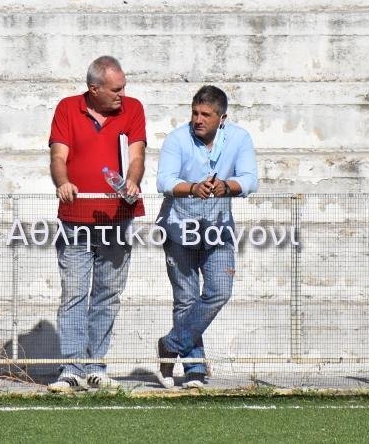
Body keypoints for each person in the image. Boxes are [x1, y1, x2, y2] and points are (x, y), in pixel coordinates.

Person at [47, 55, 146, 392]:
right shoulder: (66, 108)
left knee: (107, 294)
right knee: (74, 293)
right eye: (116, 88)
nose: (123, 93)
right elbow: (58, 157)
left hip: (118, 218)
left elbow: (137, 157)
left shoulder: (132, 109)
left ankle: (96, 365)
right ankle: (71, 368)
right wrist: (62, 183)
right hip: (74, 220)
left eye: (123, 87)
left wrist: (132, 182)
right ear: (94, 89)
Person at [154, 85, 258, 389]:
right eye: (194, 113)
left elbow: (251, 179)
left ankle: (169, 344)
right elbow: (164, 181)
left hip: (218, 229)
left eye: (206, 115)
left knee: (219, 291)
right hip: (178, 228)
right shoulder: (177, 139)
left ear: (221, 118)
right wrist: (192, 187)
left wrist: (228, 186)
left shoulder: (240, 138)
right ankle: (195, 367)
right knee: (185, 299)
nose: (198, 119)